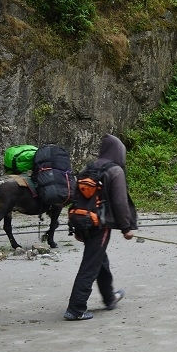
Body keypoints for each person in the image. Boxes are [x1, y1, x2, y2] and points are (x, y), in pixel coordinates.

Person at [64, 134, 138, 321]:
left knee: (99, 260)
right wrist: (126, 227)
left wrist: (78, 227)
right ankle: (76, 308)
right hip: (100, 225)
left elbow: (76, 197)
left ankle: (109, 298)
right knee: (91, 264)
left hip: (83, 221)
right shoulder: (115, 171)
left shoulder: (88, 168)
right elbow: (120, 202)